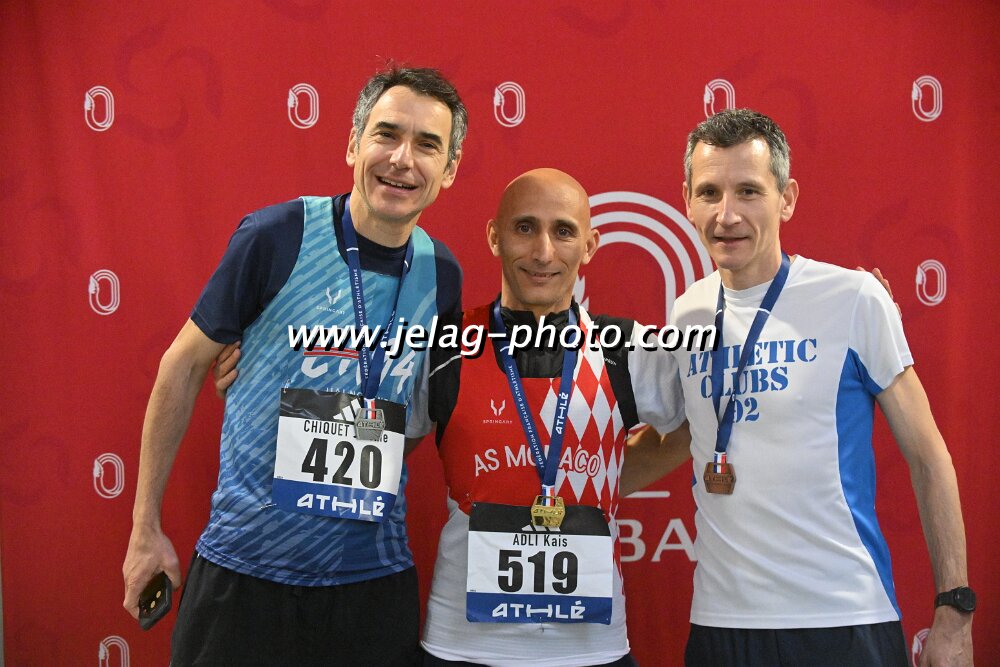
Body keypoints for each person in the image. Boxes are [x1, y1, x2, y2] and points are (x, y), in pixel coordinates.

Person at [121, 66, 467, 667]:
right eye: (386, 134)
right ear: (353, 144)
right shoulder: (277, 235)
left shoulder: (442, 274)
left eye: (427, 145)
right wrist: (144, 528)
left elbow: (415, 416)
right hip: (245, 575)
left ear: (450, 169)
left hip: (371, 585)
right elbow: (181, 368)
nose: (402, 160)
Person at [636, 108, 973, 666]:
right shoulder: (688, 312)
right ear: (687, 201)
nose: (726, 215)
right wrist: (552, 485)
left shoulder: (853, 299)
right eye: (710, 192)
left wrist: (954, 612)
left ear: (786, 198)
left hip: (844, 621)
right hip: (722, 627)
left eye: (749, 191)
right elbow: (675, 440)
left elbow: (928, 457)